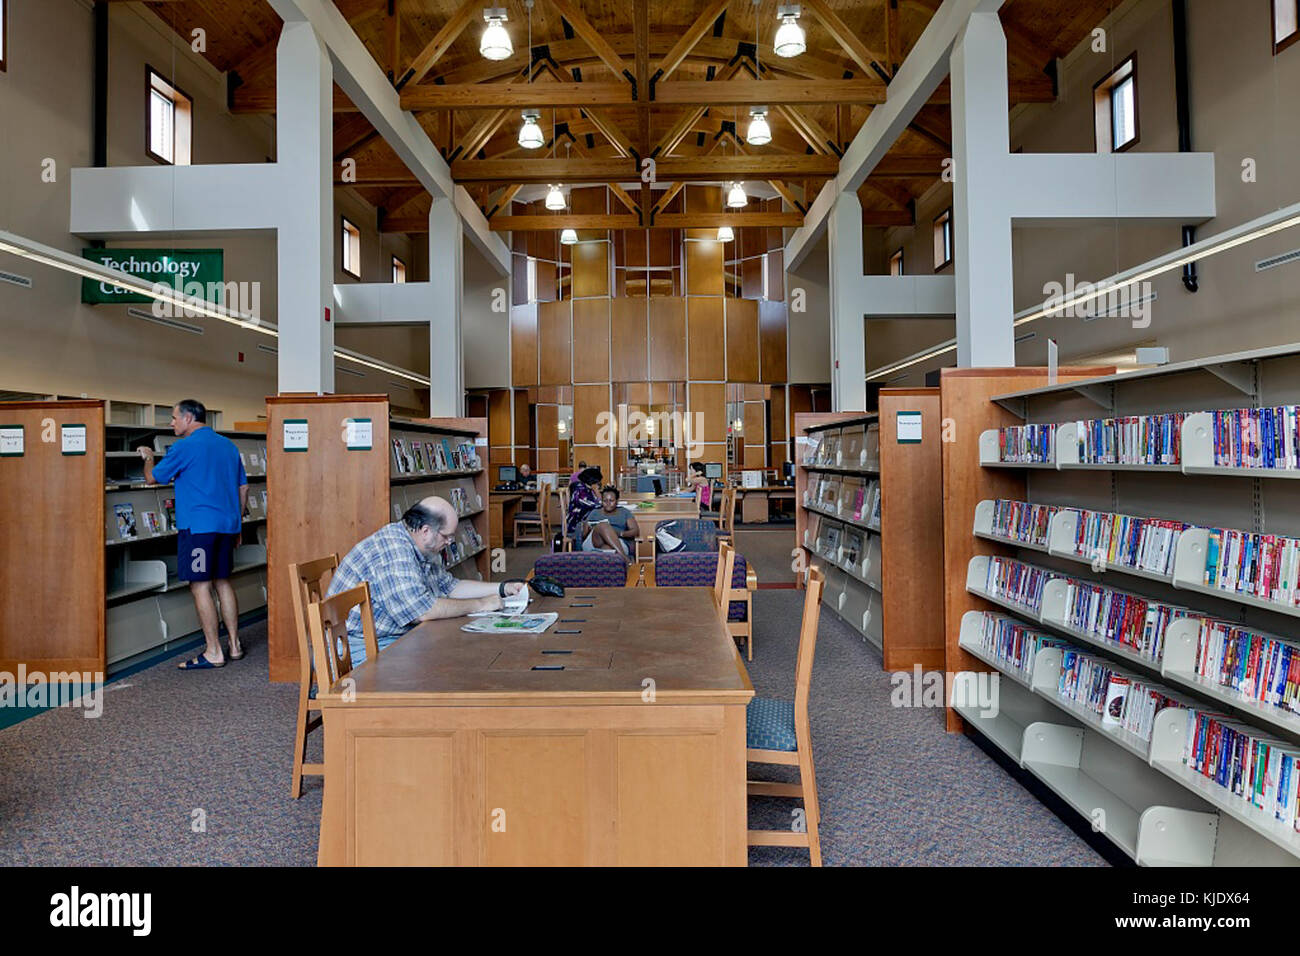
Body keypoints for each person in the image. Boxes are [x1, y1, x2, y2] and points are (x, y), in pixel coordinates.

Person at [327, 496, 525, 665]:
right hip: (355, 647)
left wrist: (502, 588)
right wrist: (481, 604)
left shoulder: (421, 547)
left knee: (454, 651)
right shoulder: (395, 551)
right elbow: (422, 611)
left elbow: (450, 587)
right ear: (425, 531)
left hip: (385, 637)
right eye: (446, 537)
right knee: (448, 660)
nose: (449, 543)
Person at [137, 399, 248, 670]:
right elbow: (243, 488)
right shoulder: (228, 446)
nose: (171, 423)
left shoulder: (184, 447)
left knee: (200, 585)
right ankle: (234, 646)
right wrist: (237, 526)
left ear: (188, 418)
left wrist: (148, 457)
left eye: (174, 418)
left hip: (199, 529)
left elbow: (153, 478)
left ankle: (214, 651)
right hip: (227, 526)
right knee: (223, 582)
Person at [580, 485, 640, 565]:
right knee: (603, 526)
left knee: (607, 548)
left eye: (611, 501)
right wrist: (588, 528)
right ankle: (625, 559)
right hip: (593, 542)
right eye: (605, 501)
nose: (608, 503)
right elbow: (583, 535)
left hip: (618, 542)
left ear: (617, 501)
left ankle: (613, 561)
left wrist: (620, 533)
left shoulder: (624, 512)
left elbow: (635, 531)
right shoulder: (594, 512)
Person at [565, 466, 602, 541]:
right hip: (576, 526)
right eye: (598, 482)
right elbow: (596, 506)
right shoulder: (581, 490)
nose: (599, 484)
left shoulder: (587, 488)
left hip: (582, 522)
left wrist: (596, 491)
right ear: (592, 481)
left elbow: (597, 502)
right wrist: (597, 491)